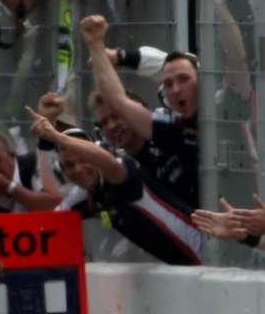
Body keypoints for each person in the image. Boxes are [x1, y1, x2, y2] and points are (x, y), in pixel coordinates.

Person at [27, 111, 203, 265]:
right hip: (185, 270)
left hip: (204, 254)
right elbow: (46, 230)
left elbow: (109, 164)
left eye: (83, 159)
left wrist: (57, 137)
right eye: (70, 165)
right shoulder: (84, 195)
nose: (78, 169)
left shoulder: (121, 171)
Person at [80, 15, 201, 218]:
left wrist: (120, 57)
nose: (176, 89)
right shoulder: (173, 129)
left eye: (184, 80)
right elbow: (117, 100)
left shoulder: (221, 109)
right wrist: (95, 45)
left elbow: (181, 64)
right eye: (168, 84)